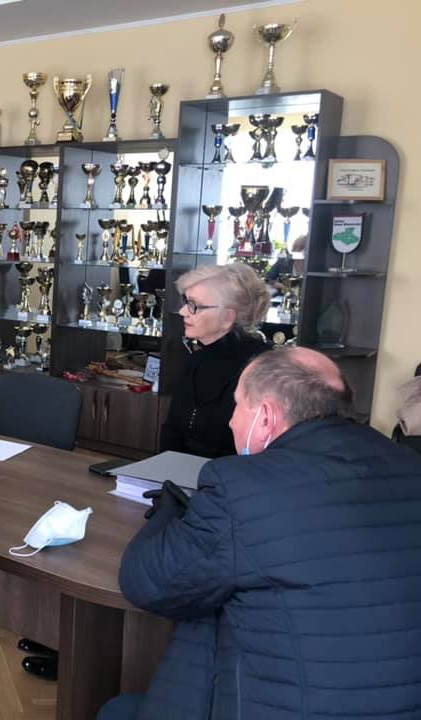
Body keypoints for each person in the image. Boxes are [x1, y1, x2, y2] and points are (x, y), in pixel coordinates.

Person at [97, 348, 421, 720]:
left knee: (117, 710)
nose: (231, 421)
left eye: (237, 406)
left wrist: (167, 512)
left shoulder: (242, 486)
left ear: (265, 416)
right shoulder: (410, 464)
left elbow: (146, 581)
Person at [160, 263, 270, 457]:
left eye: (194, 305)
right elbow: (172, 432)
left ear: (227, 317)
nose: (183, 311)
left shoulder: (262, 369)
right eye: (185, 302)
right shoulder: (195, 359)